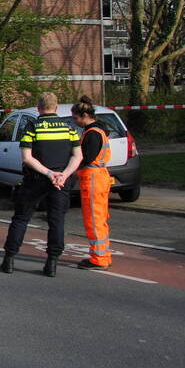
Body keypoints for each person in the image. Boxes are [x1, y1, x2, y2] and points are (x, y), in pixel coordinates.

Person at [0, 92, 81, 277]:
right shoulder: (69, 128)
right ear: (57, 106)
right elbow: (78, 156)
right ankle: (51, 264)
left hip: (35, 181)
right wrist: (63, 175)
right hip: (61, 182)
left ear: (38, 107)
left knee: (21, 219)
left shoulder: (32, 127)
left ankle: (9, 260)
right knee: (56, 220)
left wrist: (48, 173)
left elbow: (26, 158)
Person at [70, 96, 112, 271]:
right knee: (99, 219)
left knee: (93, 220)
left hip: (93, 179)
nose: (75, 121)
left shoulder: (92, 133)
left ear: (85, 115)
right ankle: (103, 255)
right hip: (99, 178)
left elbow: (86, 157)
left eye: (76, 118)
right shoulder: (99, 130)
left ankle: (99, 259)